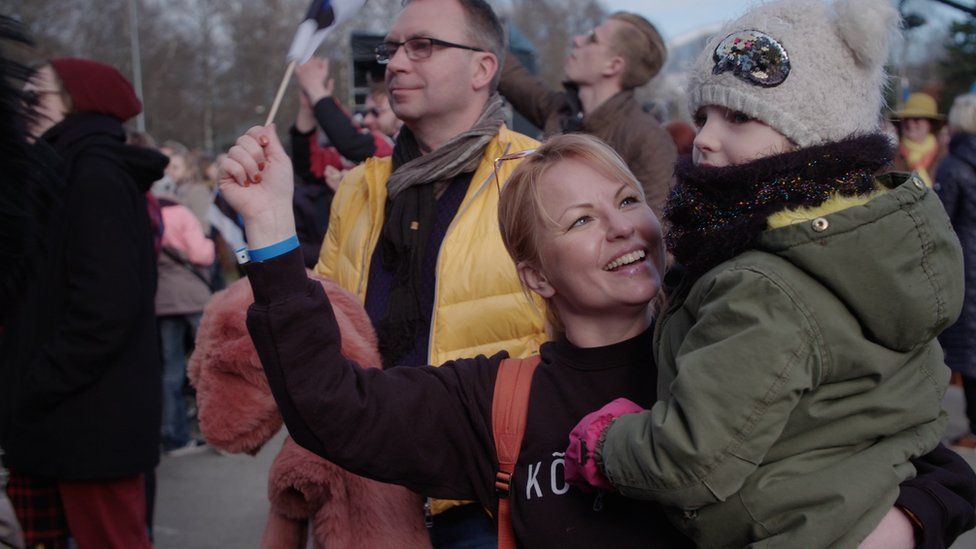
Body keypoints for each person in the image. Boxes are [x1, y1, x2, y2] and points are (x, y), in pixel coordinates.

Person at [220, 125, 975, 548]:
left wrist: (903, 524)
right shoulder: (501, 399)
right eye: (579, 220)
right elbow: (335, 409)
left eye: (626, 199)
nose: (623, 226)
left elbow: (934, 462)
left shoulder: (748, 342)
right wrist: (270, 233)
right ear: (536, 275)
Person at [564, 0, 965, 547]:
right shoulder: (864, 246)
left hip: (780, 523)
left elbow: (691, 457)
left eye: (740, 117)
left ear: (813, 137)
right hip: (852, 500)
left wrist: (604, 445)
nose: (703, 137)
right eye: (703, 114)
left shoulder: (760, 284)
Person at [309, 1, 546, 544]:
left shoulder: (538, 176)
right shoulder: (358, 188)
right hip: (370, 480)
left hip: (491, 493)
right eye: (391, 49)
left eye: (422, 46)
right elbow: (328, 328)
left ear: (482, 68)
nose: (394, 64)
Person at [0, 57, 165, 549]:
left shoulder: (94, 177)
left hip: (90, 423)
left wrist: (34, 381)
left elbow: (104, 306)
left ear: (76, 104)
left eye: (37, 97)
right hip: (63, 420)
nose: (22, 108)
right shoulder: (58, 173)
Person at [498, 12, 676, 217]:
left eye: (592, 39)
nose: (577, 40)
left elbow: (659, 231)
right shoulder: (561, 111)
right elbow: (511, 76)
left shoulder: (649, 139)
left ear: (614, 65)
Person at [154, 188, 215, 455]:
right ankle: (219, 428)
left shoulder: (149, 215)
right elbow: (202, 255)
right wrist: (210, 243)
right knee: (209, 362)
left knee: (171, 369)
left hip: (163, 301)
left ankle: (173, 434)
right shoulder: (181, 213)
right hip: (193, 298)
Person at [936, 93, 976, 448]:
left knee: (967, 349)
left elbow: (941, 221)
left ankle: (974, 429)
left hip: (966, 263)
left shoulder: (953, 165)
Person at [892, 92, 947, 187]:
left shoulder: (944, 156)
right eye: (906, 119)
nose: (910, 123)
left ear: (930, 124)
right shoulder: (892, 156)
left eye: (916, 119)